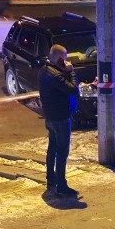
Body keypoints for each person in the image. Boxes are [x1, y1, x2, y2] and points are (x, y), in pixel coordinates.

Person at [38, 44, 80, 197]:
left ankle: (51, 180)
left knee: (53, 148)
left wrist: (65, 72)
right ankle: (61, 185)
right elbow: (74, 89)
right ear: (59, 59)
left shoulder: (44, 71)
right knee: (62, 152)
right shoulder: (55, 75)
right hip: (60, 118)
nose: (67, 61)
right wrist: (72, 72)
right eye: (65, 58)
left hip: (50, 116)